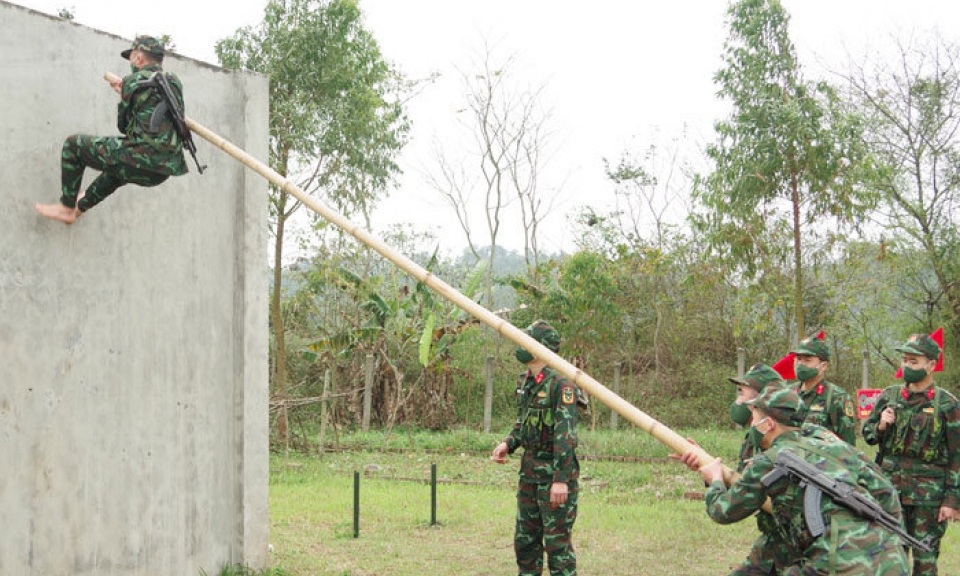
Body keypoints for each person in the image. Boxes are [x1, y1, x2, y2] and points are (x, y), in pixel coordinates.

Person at [693, 386, 911, 575]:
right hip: (890, 559)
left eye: (755, 418)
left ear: (768, 424)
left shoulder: (770, 460)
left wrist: (715, 481)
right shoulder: (836, 448)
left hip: (837, 563)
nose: (752, 424)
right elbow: (886, 492)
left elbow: (723, 511)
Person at [35, 36, 188, 224]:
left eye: (131, 57)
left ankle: (66, 207)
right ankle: (79, 208)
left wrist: (123, 95)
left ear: (139, 58)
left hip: (144, 159)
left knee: (73, 145)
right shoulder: (174, 83)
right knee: (117, 171)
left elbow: (123, 126)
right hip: (164, 170)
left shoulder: (134, 81)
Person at [673, 363, 789, 575]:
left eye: (742, 392)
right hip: (777, 538)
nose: (738, 401)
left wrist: (716, 481)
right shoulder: (754, 439)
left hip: (806, 547)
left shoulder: (787, 444)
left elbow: (726, 510)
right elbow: (743, 485)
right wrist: (706, 466)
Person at [861, 334, 960, 576]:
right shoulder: (889, 397)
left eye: (914, 362)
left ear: (931, 365)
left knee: (925, 560)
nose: (907, 366)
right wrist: (881, 425)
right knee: (890, 557)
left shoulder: (947, 405)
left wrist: (951, 501)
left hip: (929, 498)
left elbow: (957, 456)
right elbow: (868, 434)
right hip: (889, 492)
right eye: (905, 360)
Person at [491, 320, 581, 576]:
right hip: (529, 476)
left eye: (526, 340)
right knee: (525, 542)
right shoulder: (526, 381)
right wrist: (508, 444)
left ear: (540, 347)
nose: (520, 345)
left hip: (553, 479)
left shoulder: (561, 385)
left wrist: (560, 480)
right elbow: (524, 423)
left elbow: (565, 435)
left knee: (557, 548)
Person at [790, 336, 857, 445]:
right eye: (798, 359)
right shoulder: (787, 393)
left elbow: (848, 446)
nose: (800, 364)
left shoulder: (837, 398)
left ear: (823, 366)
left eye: (807, 360)